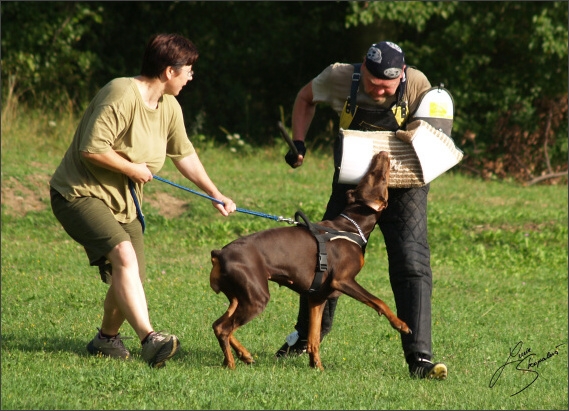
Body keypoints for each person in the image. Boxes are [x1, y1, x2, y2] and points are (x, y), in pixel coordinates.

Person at [49, 33, 236, 368]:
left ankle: (106, 340)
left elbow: (185, 154)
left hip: (123, 203)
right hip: (78, 193)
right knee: (124, 257)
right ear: (168, 71)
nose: (191, 76)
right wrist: (132, 168)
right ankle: (150, 340)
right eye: (188, 69)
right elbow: (91, 148)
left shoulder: (169, 107)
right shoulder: (120, 93)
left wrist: (215, 193)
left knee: (132, 274)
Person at [278, 41, 447, 380]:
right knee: (324, 258)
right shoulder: (341, 76)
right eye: (371, 82)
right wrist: (299, 141)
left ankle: (420, 358)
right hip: (353, 185)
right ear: (362, 70)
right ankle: (303, 338)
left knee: (411, 263)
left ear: (401, 74)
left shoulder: (417, 84)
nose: (378, 90)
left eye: (386, 85)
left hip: (405, 186)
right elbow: (304, 98)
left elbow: (435, 135)